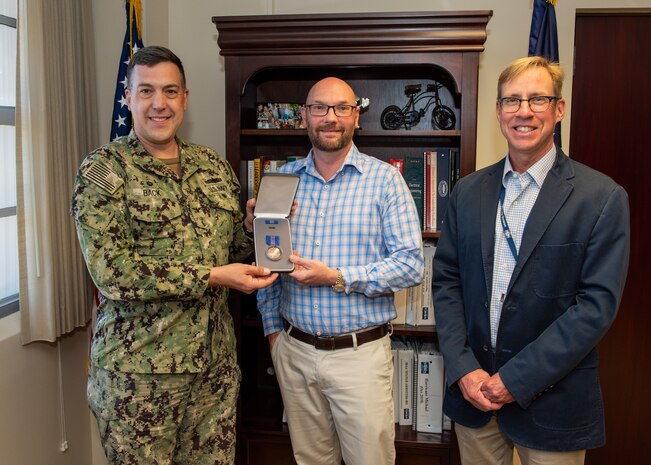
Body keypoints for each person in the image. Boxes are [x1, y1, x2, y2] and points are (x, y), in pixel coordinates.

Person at [71, 46, 277, 465]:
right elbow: (114, 272)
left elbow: (231, 250)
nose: (159, 104)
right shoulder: (103, 172)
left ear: (185, 97)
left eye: (169, 91)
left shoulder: (213, 167)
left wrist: (251, 228)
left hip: (214, 372)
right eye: (146, 91)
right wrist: (213, 276)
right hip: (139, 378)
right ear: (128, 99)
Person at [432, 56, 630, 465]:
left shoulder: (602, 198)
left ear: (559, 109)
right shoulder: (467, 193)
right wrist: (462, 366)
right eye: (511, 101)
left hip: (553, 405)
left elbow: (594, 309)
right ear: (499, 112)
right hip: (475, 397)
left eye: (537, 99)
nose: (523, 111)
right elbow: (447, 283)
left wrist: (514, 380)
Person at [256, 77, 424, 465]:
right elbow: (267, 261)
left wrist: (337, 276)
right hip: (294, 353)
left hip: (359, 356)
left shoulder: (385, 181)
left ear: (356, 116)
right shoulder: (282, 179)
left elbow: (411, 265)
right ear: (304, 117)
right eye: (319, 108)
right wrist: (273, 337)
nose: (330, 118)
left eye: (341, 108)